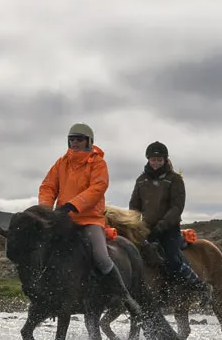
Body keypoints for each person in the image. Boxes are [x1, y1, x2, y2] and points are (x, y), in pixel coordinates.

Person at [39, 123, 139, 307]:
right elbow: (48, 186)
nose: (75, 142)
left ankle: (125, 297)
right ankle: (45, 295)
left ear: (89, 141)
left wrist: (73, 205)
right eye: (72, 139)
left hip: (90, 219)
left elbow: (98, 188)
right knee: (45, 251)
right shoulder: (61, 163)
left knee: (101, 257)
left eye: (79, 139)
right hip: (64, 220)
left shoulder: (98, 163)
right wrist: (45, 209)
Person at [129, 141, 210, 294]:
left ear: (165, 160)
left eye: (159, 159)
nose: (156, 163)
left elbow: (176, 207)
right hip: (146, 229)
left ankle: (200, 287)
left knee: (172, 259)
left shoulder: (175, 179)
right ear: (148, 160)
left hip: (169, 229)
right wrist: (133, 224)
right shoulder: (141, 180)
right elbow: (134, 206)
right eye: (153, 159)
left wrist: (161, 227)